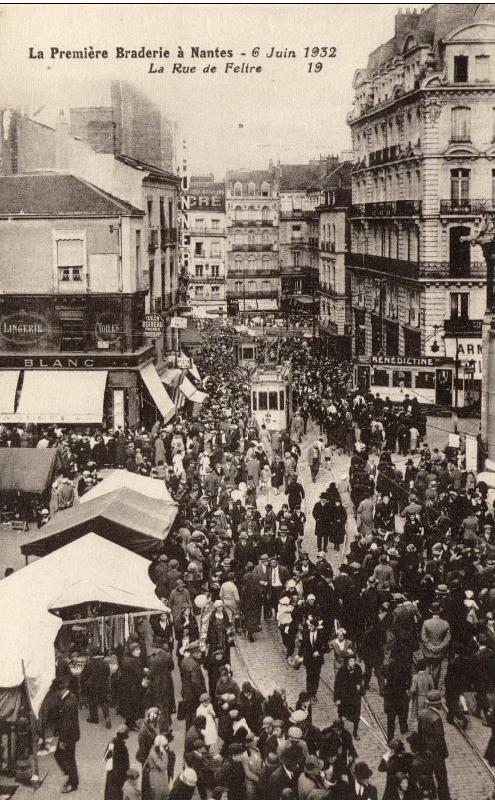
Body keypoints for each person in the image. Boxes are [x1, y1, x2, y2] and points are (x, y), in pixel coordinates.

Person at [417, 690, 451, 800]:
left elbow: (420, 733)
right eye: (440, 703)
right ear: (436, 704)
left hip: (425, 751)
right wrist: (444, 753)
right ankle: (444, 797)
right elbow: (440, 738)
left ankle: (431, 796)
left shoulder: (421, 714)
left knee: (428, 776)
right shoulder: (436, 718)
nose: (441, 704)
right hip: (436, 753)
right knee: (441, 778)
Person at [53, 678, 80, 794]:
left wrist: (62, 740)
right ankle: (71, 776)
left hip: (68, 736)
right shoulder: (71, 697)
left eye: (56, 692)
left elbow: (66, 723)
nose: (56, 695)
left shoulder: (68, 703)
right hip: (72, 734)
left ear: (60, 690)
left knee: (65, 757)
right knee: (67, 757)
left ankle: (73, 781)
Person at [334, 654, 363, 740]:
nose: (353, 663)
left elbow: (361, 680)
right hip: (345, 697)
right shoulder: (342, 670)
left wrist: (359, 686)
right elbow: (337, 685)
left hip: (355, 696)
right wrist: (337, 698)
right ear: (347, 662)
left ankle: (355, 732)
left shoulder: (358, 669)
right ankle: (340, 729)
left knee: (356, 715)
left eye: (354, 661)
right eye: (351, 661)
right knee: (341, 713)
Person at [81, 645, 111, 728]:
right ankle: (107, 718)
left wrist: (85, 684)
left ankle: (94, 718)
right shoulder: (105, 662)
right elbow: (108, 673)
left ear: (92, 653)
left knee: (92, 702)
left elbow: (84, 675)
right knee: (104, 702)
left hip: (92, 686)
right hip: (103, 685)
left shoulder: (89, 663)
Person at [299, 617, 326, 702]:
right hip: (308, 659)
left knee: (316, 677)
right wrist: (299, 655)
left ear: (315, 626)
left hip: (317, 660)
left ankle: (314, 693)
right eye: (309, 626)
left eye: (311, 626)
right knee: (309, 676)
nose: (309, 628)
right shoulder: (306, 633)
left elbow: (326, 647)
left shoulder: (321, 634)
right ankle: (309, 693)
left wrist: (319, 652)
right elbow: (302, 644)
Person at [104, 725, 130, 800]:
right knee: (118, 794)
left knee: (110, 794)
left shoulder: (111, 743)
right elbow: (126, 764)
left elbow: (106, 758)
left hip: (111, 774)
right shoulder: (123, 748)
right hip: (119, 776)